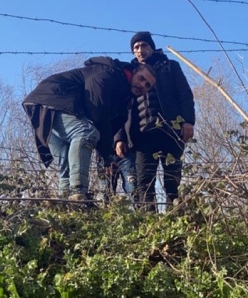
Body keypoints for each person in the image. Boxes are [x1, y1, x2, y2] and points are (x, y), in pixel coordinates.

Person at [23, 56, 156, 201]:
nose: (142, 85)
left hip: (42, 106)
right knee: (85, 132)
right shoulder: (107, 74)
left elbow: (112, 126)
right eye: (141, 78)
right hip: (54, 97)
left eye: (148, 85)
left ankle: (65, 201)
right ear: (134, 71)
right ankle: (79, 193)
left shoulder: (123, 97)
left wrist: (107, 155)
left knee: (67, 158)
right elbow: (97, 111)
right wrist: (106, 155)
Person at [114, 31, 195, 210]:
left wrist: (188, 121)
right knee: (144, 184)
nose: (140, 50)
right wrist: (119, 137)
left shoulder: (170, 67)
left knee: (173, 182)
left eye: (144, 45)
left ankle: (175, 222)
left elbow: (185, 95)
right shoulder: (129, 73)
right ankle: (148, 225)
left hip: (171, 133)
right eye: (136, 47)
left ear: (151, 47)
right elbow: (120, 106)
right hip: (142, 137)